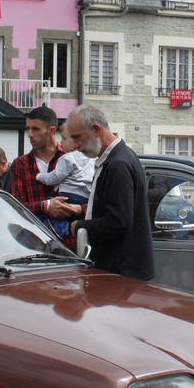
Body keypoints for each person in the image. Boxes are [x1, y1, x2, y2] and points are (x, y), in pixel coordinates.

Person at [67, 104, 154, 281]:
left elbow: (118, 222)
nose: (75, 146)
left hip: (121, 273)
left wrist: (80, 226)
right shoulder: (119, 157)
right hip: (123, 269)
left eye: (77, 137)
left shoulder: (118, 164)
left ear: (96, 129)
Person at [11, 107, 82, 249]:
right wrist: (45, 206)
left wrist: (77, 208)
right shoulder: (20, 164)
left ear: (51, 131)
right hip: (33, 246)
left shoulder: (75, 159)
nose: (30, 134)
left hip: (70, 247)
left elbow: (93, 202)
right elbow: (16, 207)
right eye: (28, 129)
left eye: (35, 129)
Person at [35, 122, 93, 238]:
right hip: (86, 198)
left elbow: (54, 178)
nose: (61, 142)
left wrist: (39, 176)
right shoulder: (92, 158)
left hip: (68, 194)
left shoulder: (67, 158)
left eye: (64, 139)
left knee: (56, 214)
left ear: (77, 141)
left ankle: (59, 232)